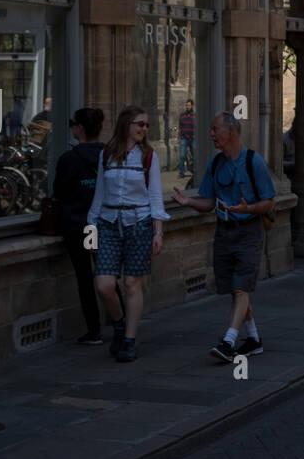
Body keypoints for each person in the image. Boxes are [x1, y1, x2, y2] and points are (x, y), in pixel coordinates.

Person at [172, 112, 275, 361]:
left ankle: (229, 341)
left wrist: (248, 208)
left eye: (215, 129)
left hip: (249, 231)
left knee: (241, 288)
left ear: (231, 131)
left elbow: (270, 202)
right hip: (224, 231)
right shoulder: (216, 163)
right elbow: (208, 202)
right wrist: (188, 202)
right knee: (235, 288)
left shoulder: (254, 162)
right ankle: (253, 339)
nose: (211, 134)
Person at [87, 105, 169, 362]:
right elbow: (99, 193)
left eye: (146, 125)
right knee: (105, 286)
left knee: (132, 284)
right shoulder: (107, 154)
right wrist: (91, 229)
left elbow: (155, 196)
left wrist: (158, 232)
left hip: (139, 224)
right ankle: (120, 323)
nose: (144, 128)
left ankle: (129, 340)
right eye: (140, 124)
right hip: (109, 223)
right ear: (126, 125)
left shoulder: (148, 156)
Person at [53, 107, 120, 345]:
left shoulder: (69, 159)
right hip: (103, 223)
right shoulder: (109, 155)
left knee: (85, 278)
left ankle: (94, 330)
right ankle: (119, 321)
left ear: (79, 128)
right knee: (107, 275)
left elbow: (59, 192)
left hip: (78, 225)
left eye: (74, 124)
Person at [178, 98, 195, 178]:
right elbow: (180, 127)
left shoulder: (195, 115)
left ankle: (196, 171)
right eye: (186, 105)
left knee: (195, 155)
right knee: (182, 156)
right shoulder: (182, 115)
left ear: (192, 106)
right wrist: (178, 137)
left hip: (193, 138)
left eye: (189, 105)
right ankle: (181, 173)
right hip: (184, 138)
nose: (187, 107)